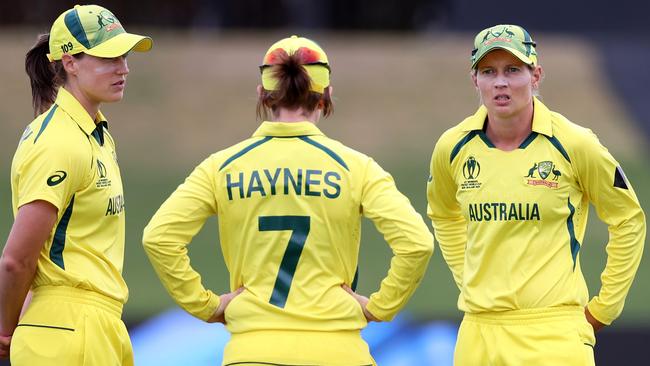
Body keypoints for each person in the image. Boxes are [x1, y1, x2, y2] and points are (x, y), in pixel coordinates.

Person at [143, 35, 434, 365]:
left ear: (263, 95)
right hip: (337, 353)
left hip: (253, 351)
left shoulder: (221, 167)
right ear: (326, 95)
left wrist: (206, 305)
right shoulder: (356, 167)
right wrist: (380, 306)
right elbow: (417, 243)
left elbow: (159, 238)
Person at [427, 24, 646, 365]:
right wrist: (467, 276)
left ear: (536, 75)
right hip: (478, 334)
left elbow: (628, 219)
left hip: (553, 332)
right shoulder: (452, 148)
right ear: (475, 80)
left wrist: (606, 307)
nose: (501, 82)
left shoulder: (576, 143)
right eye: (489, 71)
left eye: (513, 70)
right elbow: (443, 213)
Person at [0, 4, 152, 365]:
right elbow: (16, 260)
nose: (124, 68)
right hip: (69, 331)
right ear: (70, 62)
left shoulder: (95, 134)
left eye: (125, 56)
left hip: (96, 326)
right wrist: (5, 330)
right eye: (109, 57)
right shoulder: (58, 141)